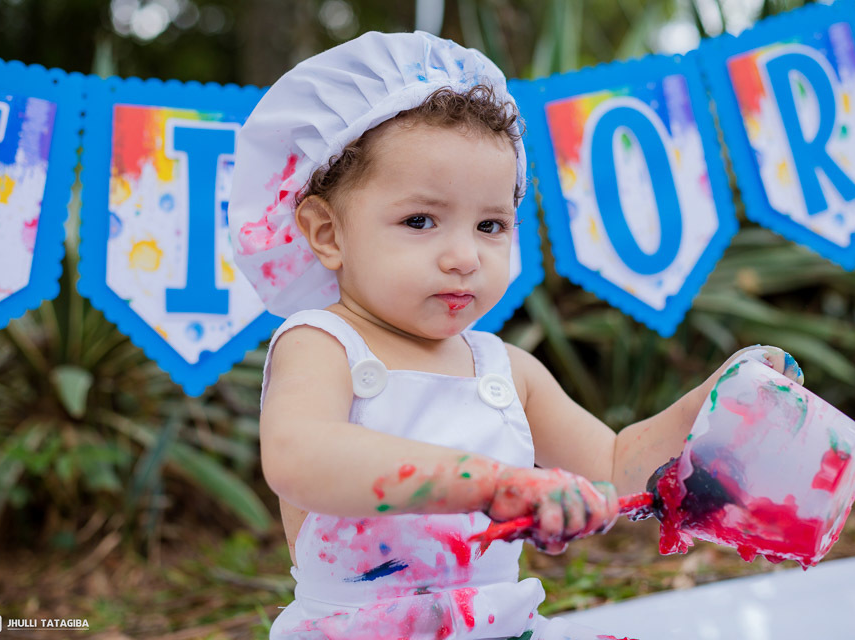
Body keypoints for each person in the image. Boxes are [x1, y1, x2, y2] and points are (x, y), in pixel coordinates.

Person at [227, 30, 804, 640]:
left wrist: (711, 401)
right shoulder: (323, 343)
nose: (463, 256)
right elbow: (299, 458)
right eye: (419, 220)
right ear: (327, 233)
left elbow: (612, 464)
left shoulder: (504, 369)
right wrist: (490, 483)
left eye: (490, 224)